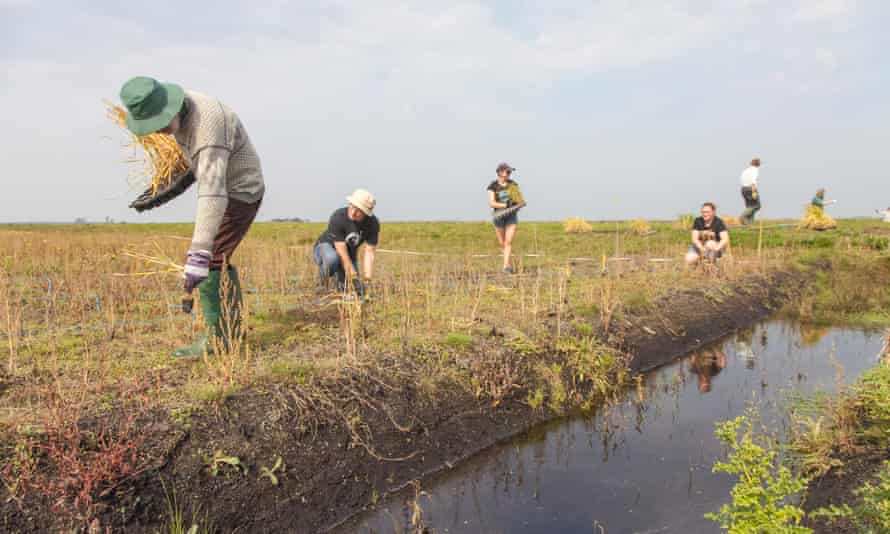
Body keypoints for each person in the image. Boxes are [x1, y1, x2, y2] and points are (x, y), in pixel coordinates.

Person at [119, 76, 264, 358]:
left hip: (239, 191)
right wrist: (165, 184)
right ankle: (229, 329)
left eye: (160, 124)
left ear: (170, 108)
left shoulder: (208, 126)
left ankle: (219, 338)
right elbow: (193, 163)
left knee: (211, 258)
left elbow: (212, 192)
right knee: (217, 257)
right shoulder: (182, 107)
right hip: (223, 186)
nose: (159, 132)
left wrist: (197, 254)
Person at [314, 189, 379, 295]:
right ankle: (320, 284)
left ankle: (337, 281)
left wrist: (367, 280)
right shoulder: (338, 217)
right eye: (352, 206)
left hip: (349, 255)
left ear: (366, 213)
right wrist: (353, 276)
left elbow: (369, 253)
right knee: (332, 259)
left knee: (351, 289)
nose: (353, 213)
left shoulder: (372, 224)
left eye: (359, 211)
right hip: (325, 249)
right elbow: (341, 253)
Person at [487, 162, 520, 274]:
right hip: (499, 216)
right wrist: (505, 205)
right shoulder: (493, 186)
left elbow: (518, 198)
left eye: (510, 172)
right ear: (500, 173)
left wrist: (517, 203)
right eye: (507, 171)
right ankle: (508, 263)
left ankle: (506, 266)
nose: (509, 174)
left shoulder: (513, 184)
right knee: (502, 243)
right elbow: (492, 203)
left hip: (511, 216)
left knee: (508, 241)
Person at [739, 158, 762, 225]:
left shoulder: (746, 170)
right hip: (750, 188)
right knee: (756, 206)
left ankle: (749, 223)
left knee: (749, 206)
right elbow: (753, 181)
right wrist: (754, 191)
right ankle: (742, 217)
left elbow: (741, 179)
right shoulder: (755, 170)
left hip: (743, 189)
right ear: (758, 164)